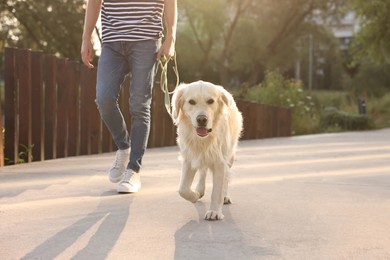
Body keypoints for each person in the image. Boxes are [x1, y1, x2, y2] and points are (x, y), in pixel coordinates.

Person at [81, 0, 177, 193]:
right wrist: (86, 37)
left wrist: (171, 36)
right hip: (111, 42)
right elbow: (94, 1)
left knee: (139, 105)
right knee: (104, 99)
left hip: (146, 41)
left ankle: (134, 169)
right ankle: (124, 147)